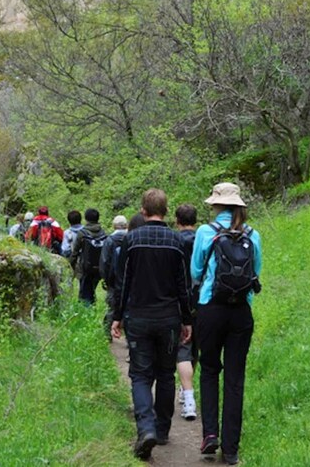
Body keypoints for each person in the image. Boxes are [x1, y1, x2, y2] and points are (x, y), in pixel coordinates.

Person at [111, 190, 193, 460]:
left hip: (139, 316)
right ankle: (162, 429)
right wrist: (186, 319)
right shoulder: (175, 241)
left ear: (143, 210)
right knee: (166, 373)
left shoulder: (131, 240)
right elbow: (183, 284)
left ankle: (145, 428)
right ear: (166, 211)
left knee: (141, 374)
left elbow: (123, 283)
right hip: (169, 317)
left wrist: (118, 316)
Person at [191, 183, 262, 466]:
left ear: (215, 205)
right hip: (241, 313)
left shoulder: (206, 232)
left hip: (211, 309)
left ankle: (210, 434)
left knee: (209, 370)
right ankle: (230, 449)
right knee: (235, 378)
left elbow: (196, 270)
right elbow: (255, 272)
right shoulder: (253, 235)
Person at [173, 203, 199, 421]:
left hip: (179, 300)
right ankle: (186, 389)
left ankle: (188, 398)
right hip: (202, 300)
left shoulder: (174, 240)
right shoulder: (204, 239)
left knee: (183, 347)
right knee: (195, 348)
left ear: (176, 220)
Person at [100, 214, 129, 338]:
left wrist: (106, 279)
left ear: (114, 225)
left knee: (112, 306)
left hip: (113, 280)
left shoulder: (110, 240)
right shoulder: (131, 238)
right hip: (128, 279)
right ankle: (129, 338)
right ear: (126, 225)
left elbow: (105, 261)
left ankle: (108, 333)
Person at [70, 208, 106, 305]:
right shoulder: (104, 233)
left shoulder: (82, 233)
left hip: (85, 267)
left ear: (86, 219)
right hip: (99, 266)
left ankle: (85, 310)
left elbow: (75, 252)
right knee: (92, 289)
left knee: (84, 292)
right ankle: (92, 307)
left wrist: (71, 264)